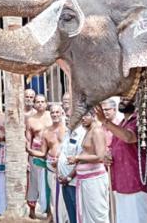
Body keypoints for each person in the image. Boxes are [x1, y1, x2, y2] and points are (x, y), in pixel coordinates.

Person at [96, 98, 147, 223]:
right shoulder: (121, 124)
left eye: (127, 98)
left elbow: (129, 137)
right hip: (120, 183)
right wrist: (108, 157)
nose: (123, 101)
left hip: (135, 184)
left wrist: (105, 121)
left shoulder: (140, 121)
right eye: (122, 98)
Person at [28, 103, 68, 223]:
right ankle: (56, 219)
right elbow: (43, 153)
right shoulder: (46, 132)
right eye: (52, 112)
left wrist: (62, 160)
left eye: (57, 112)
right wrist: (29, 151)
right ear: (49, 114)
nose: (55, 114)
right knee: (54, 196)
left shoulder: (68, 129)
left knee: (66, 195)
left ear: (62, 113)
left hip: (66, 166)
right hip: (51, 167)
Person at [68, 109, 109, 223]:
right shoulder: (88, 130)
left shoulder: (97, 131)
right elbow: (88, 152)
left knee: (97, 214)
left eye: (85, 115)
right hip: (85, 179)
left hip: (94, 180)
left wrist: (77, 158)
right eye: (81, 116)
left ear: (93, 115)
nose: (82, 118)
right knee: (86, 215)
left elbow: (100, 156)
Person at [57, 93, 86, 223]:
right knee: (70, 213)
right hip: (65, 181)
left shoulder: (82, 134)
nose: (67, 119)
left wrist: (68, 177)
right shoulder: (68, 132)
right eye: (66, 116)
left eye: (69, 117)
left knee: (78, 214)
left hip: (74, 182)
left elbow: (80, 160)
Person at [26, 94, 53, 218]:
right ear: (34, 104)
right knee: (34, 182)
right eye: (37, 102)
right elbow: (28, 140)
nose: (40, 104)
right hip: (35, 155)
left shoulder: (52, 116)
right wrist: (27, 157)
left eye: (42, 101)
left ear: (46, 103)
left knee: (48, 183)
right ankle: (32, 211)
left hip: (50, 154)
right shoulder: (31, 120)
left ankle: (49, 212)